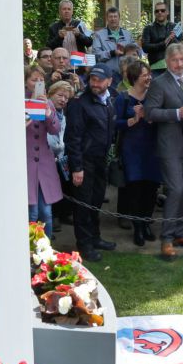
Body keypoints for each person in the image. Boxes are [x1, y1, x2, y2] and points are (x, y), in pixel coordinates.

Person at [144, 43, 183, 259]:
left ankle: (179, 233)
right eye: (175, 60)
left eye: (182, 59)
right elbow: (150, 113)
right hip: (169, 146)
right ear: (167, 61)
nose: (179, 64)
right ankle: (166, 239)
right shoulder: (159, 83)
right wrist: (176, 114)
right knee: (176, 190)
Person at [64, 64, 117, 262]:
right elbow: (73, 138)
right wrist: (77, 167)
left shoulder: (109, 100)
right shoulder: (79, 103)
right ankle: (84, 244)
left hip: (101, 161)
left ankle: (95, 238)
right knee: (84, 205)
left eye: (99, 80)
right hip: (85, 163)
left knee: (96, 202)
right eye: (92, 79)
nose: (94, 83)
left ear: (109, 81)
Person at [114, 62, 161, 245]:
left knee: (150, 189)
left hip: (153, 149)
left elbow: (161, 118)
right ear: (134, 78)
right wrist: (134, 119)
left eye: (149, 74)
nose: (149, 78)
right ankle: (138, 229)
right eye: (144, 75)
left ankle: (147, 223)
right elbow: (115, 124)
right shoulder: (123, 98)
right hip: (132, 150)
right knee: (135, 190)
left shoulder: (154, 97)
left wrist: (149, 116)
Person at [25, 66, 62, 238]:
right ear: (26, 82)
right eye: (34, 80)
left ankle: (47, 252)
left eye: (41, 80)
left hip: (45, 164)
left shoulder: (47, 103)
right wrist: (30, 109)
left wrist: (47, 111)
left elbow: (55, 129)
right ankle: (29, 253)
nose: (38, 83)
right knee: (31, 214)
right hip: (26, 163)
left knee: (46, 213)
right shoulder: (18, 101)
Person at [46, 80, 75, 229]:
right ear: (51, 94)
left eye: (66, 98)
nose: (63, 100)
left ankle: (62, 213)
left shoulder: (63, 115)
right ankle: (54, 216)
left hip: (60, 157)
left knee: (63, 186)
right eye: (60, 95)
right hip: (47, 156)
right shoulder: (46, 111)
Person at [92, 6, 136, 82]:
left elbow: (136, 52)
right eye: (110, 17)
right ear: (107, 19)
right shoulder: (99, 35)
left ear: (119, 18)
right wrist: (112, 53)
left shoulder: (127, 34)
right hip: (108, 74)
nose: (113, 19)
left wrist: (126, 51)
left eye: (115, 16)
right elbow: (96, 55)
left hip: (126, 74)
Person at [141, 2, 182, 71]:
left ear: (167, 12)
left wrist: (173, 38)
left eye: (162, 10)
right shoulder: (148, 28)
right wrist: (164, 43)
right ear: (154, 13)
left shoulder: (175, 27)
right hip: (156, 67)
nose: (160, 12)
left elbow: (181, 46)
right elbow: (145, 47)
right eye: (157, 11)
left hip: (173, 66)